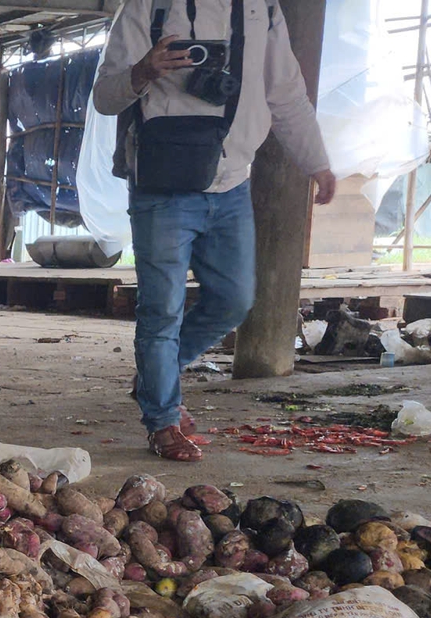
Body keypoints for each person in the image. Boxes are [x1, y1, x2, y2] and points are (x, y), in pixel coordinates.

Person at [94, 0, 336, 462]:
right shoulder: (147, 7)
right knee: (161, 310)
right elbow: (105, 97)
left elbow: (285, 93)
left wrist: (317, 163)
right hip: (161, 185)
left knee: (234, 299)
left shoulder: (261, 9)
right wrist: (143, 71)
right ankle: (162, 420)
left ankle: (155, 377)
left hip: (231, 184)